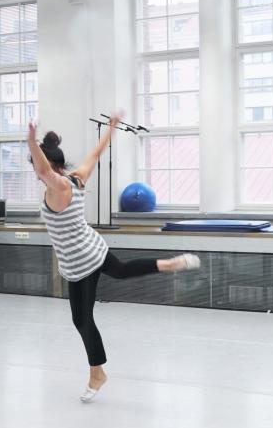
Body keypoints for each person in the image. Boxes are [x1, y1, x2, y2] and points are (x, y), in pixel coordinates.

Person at [28, 115, 200, 402]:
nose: (36, 170)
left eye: (36, 165)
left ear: (47, 165)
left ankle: (97, 374)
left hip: (80, 262)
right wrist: (110, 129)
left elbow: (44, 170)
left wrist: (30, 140)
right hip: (93, 247)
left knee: (82, 320)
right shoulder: (76, 178)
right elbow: (95, 154)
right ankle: (168, 264)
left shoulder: (59, 186)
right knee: (120, 270)